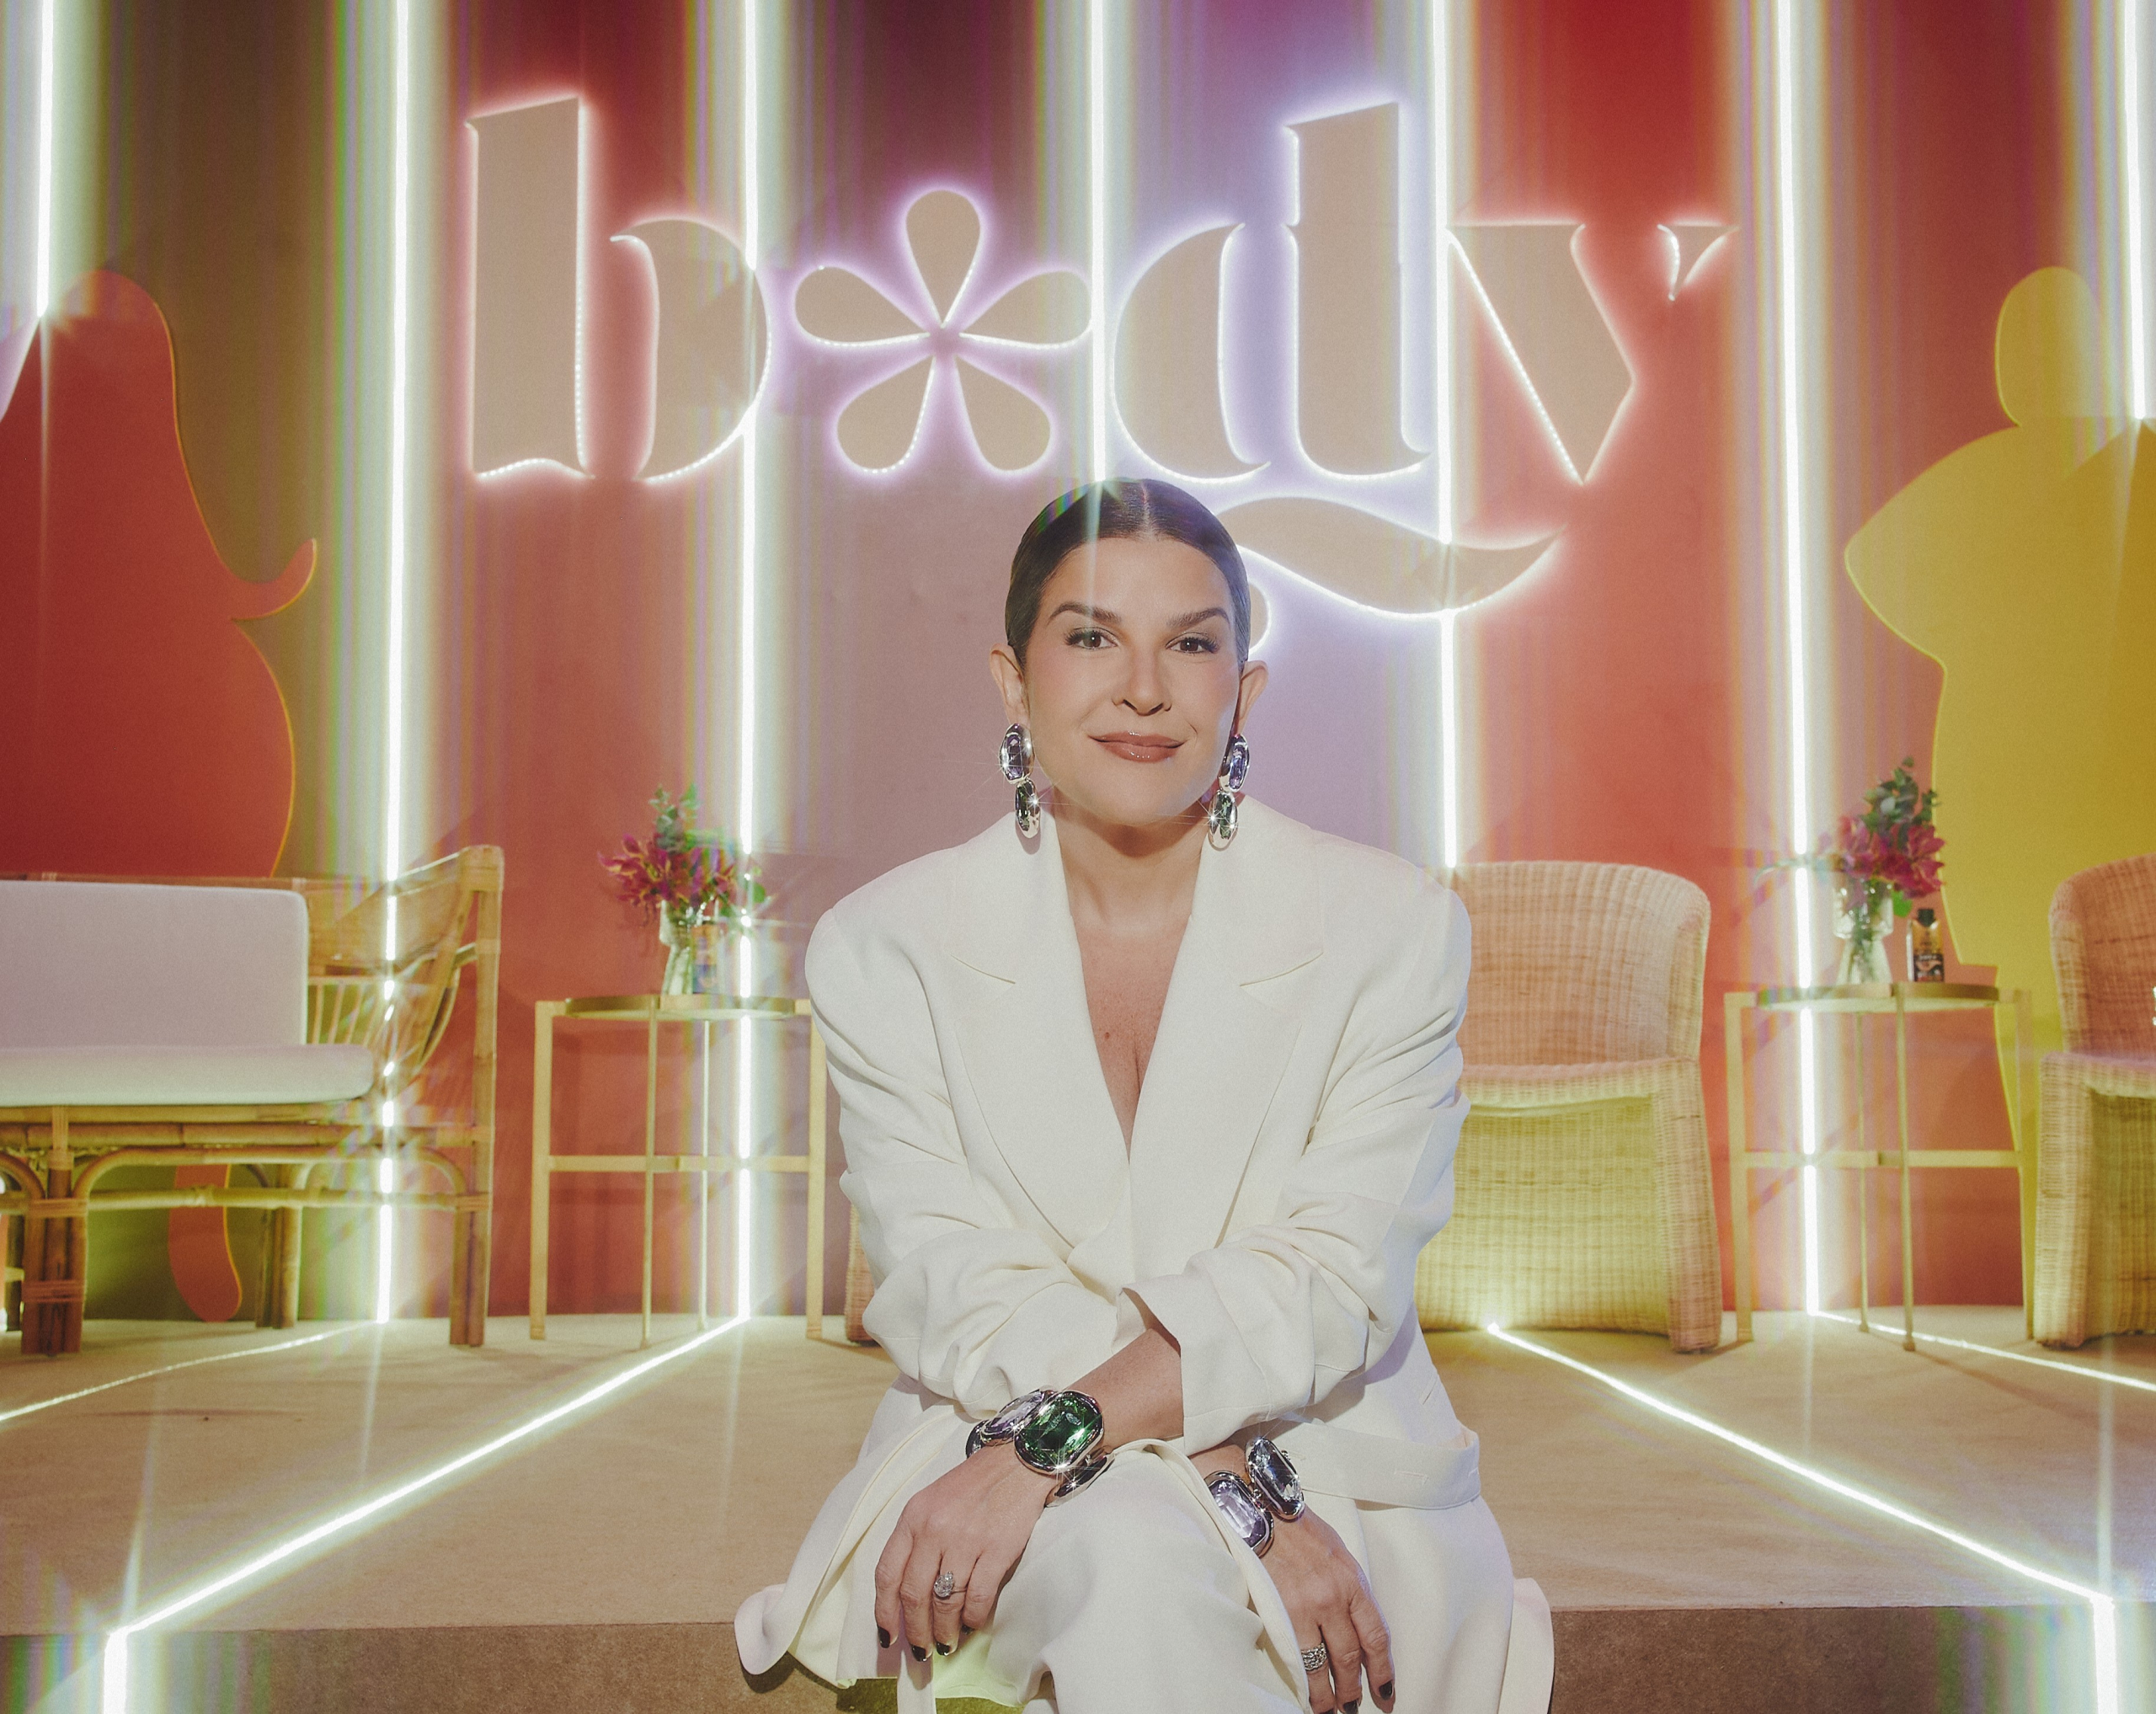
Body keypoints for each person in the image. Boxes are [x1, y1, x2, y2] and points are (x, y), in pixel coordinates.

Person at [736, 480, 1551, 1714]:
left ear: (1245, 692)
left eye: (1192, 644)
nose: (1143, 688)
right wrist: (1218, 1472)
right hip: (1003, 1430)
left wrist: (1093, 1444)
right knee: (1128, 1555)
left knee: (1128, 1557)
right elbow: (948, 1279)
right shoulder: (883, 947)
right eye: (1090, 637)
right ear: (1013, 682)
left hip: (1320, 1448)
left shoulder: (1394, 931)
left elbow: (1332, 1278)